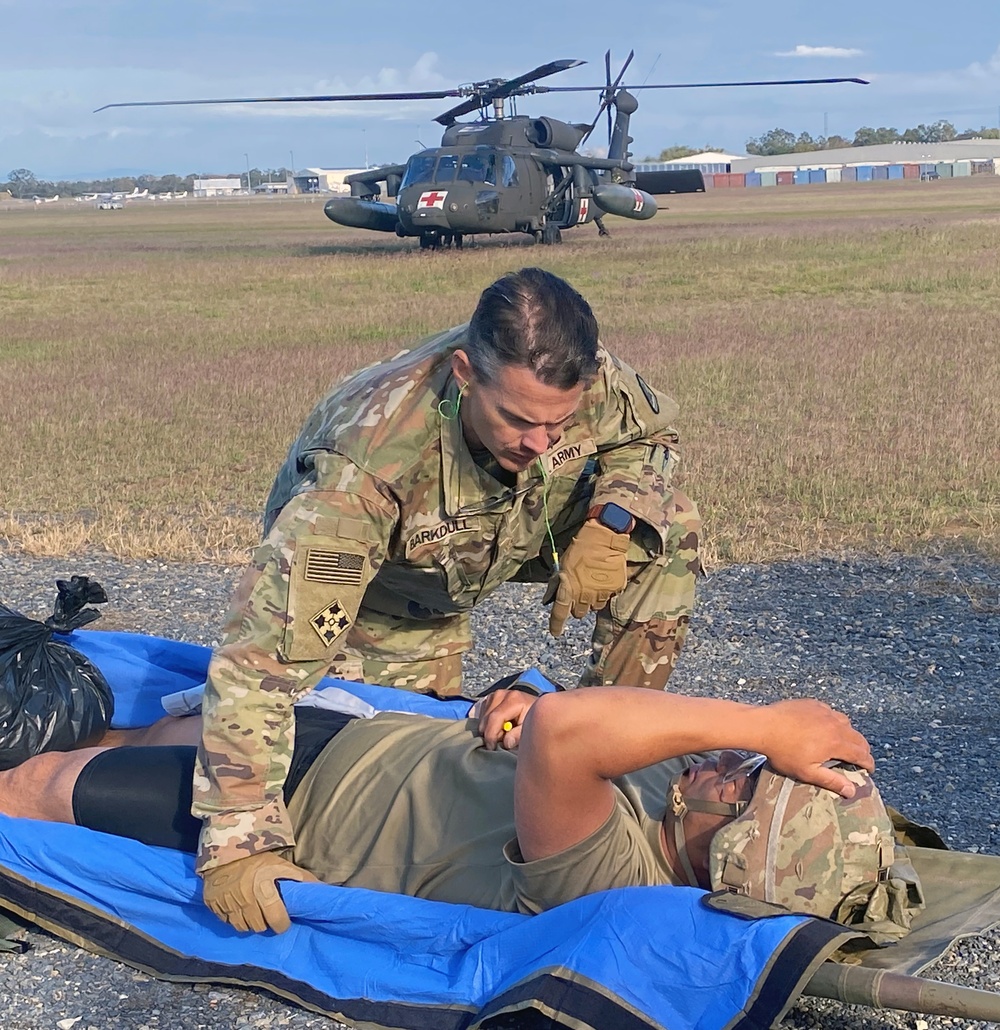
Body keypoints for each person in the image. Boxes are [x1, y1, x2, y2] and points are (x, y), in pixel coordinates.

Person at [194, 267, 701, 893]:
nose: (542, 444)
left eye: (559, 424)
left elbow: (653, 436)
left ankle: (601, 724)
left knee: (671, 525)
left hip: (506, 531)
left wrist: (614, 517)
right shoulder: (363, 466)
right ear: (465, 374)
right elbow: (262, 656)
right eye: (518, 420)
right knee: (373, 748)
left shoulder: (582, 375)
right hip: (384, 591)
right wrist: (240, 837)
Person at [0, 686, 887, 936]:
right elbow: (569, 715)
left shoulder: (609, 876)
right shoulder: (680, 797)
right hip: (355, 737)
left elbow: (575, 731)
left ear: (721, 854)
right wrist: (518, 700)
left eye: (749, 784)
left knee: (37, 789)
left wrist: (769, 724)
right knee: (144, 730)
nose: (735, 762)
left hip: (298, 804)